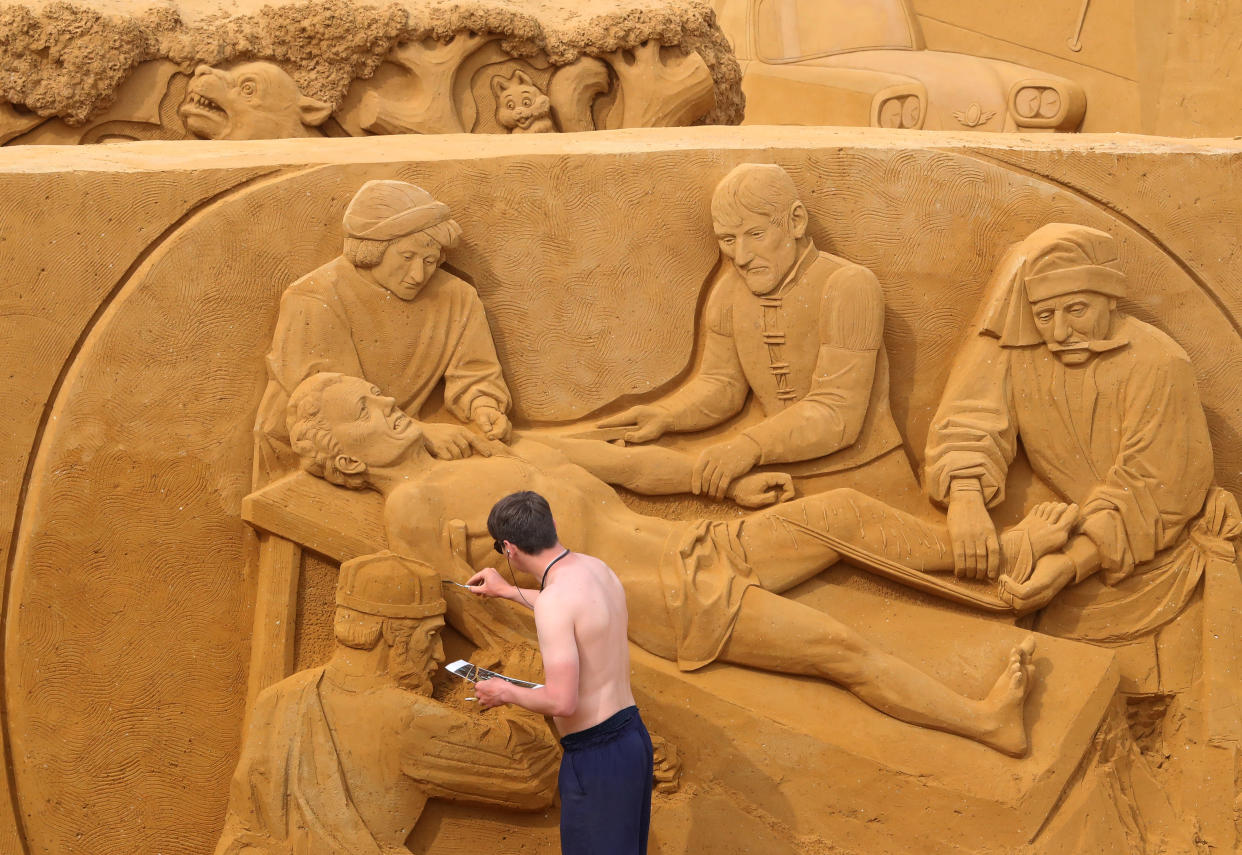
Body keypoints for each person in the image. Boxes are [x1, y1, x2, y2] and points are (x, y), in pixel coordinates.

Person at [285, 371, 1040, 756]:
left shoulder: (490, 448)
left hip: (697, 544)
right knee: (837, 647)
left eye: (373, 388)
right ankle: (986, 723)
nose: (383, 399)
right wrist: (513, 678)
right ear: (348, 456)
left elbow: (633, 469)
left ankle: (993, 553)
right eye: (362, 407)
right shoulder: (413, 508)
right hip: (660, 598)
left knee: (838, 513)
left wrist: (727, 483)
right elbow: (471, 610)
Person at [926, 223, 1239, 645]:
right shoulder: (1023, 354)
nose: (1058, 333)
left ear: (1110, 299)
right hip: (1061, 562)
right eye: (1043, 315)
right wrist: (965, 498)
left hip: (1163, 569)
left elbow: (1154, 490)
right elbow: (971, 421)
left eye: (1076, 310)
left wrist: (1070, 564)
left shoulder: (1159, 363)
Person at [599, 163, 913, 504]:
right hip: (774, 478)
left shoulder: (849, 286)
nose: (742, 257)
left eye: (756, 234)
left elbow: (838, 411)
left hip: (865, 478)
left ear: (795, 222)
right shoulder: (728, 294)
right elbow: (723, 385)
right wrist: (666, 416)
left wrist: (749, 446)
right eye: (728, 240)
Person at [215, 551, 558, 855]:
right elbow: (530, 775)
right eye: (430, 636)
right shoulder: (408, 720)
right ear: (390, 634)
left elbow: (244, 834)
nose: (440, 655)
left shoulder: (277, 699)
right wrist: (519, 687)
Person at [253, 179, 512, 482]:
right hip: (315, 456)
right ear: (373, 249)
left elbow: (475, 373)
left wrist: (483, 406)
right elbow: (332, 407)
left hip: (395, 447)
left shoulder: (457, 297)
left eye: (429, 261)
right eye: (406, 257)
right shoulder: (315, 296)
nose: (418, 275)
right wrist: (420, 433)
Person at [467, 491, 652, 855]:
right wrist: (508, 591)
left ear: (508, 548)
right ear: (552, 525)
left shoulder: (555, 602)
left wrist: (503, 691)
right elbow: (576, 612)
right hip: (632, 739)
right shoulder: (596, 569)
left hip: (596, 756)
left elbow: (562, 702)